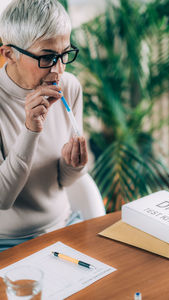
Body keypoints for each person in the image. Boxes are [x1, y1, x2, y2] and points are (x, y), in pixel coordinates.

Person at [0, 0, 88, 252]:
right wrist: (30, 130)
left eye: (65, 55)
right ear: (9, 54)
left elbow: (64, 181)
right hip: (8, 243)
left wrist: (73, 165)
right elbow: (3, 199)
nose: (59, 70)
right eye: (48, 57)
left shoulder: (69, 87)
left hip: (64, 225)